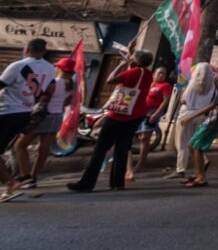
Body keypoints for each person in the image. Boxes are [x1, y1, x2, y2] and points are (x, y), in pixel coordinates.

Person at [67, 50, 154, 193]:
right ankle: (117, 182)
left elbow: (110, 79)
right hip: (134, 116)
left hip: (118, 116)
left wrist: (120, 65)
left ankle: (87, 183)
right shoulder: (148, 75)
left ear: (136, 60)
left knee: (100, 149)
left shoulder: (133, 72)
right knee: (122, 150)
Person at [0, 39, 56, 202]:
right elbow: (49, 90)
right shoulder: (50, 68)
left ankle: (11, 182)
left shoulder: (17, 66)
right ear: (44, 51)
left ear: (26, 48)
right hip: (25, 112)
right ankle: (9, 182)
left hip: (7, 111)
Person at [14, 56, 75, 189]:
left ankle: (25, 176)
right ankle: (33, 177)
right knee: (44, 149)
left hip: (43, 116)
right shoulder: (72, 83)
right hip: (57, 116)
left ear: (59, 68)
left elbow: (42, 99)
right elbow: (67, 102)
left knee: (20, 146)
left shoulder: (53, 82)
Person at [182, 65, 218, 188]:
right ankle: (198, 174)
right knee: (192, 145)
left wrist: (189, 117)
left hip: (214, 121)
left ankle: (201, 178)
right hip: (213, 120)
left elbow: (212, 105)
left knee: (196, 146)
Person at [167, 61, 215, 180]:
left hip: (186, 115)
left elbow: (184, 100)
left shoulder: (192, 84)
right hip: (201, 115)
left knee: (182, 143)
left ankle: (180, 169)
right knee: (195, 142)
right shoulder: (212, 86)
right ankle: (204, 160)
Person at [127, 66, 172, 181]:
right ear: (154, 74)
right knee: (140, 137)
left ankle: (141, 163)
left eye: (163, 73)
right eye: (159, 73)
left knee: (145, 138)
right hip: (141, 111)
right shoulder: (150, 84)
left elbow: (165, 102)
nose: (161, 75)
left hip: (152, 112)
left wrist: (156, 115)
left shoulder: (165, 86)